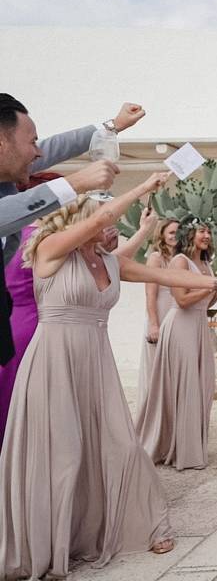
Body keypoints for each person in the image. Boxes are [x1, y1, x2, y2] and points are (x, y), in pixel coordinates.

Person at [0, 175, 217, 579]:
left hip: (96, 362)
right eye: (103, 221)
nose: (111, 227)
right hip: (55, 361)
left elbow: (164, 278)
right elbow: (104, 217)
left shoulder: (108, 261)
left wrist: (216, 282)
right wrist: (144, 187)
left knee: (121, 444)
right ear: (82, 220)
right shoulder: (48, 250)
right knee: (64, 453)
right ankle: (53, 539)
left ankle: (145, 524)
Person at [0, 175, 157, 448]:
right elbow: (113, 260)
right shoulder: (48, 241)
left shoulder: (19, 235)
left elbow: (113, 264)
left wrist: (135, 234)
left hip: (18, 326)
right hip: (48, 330)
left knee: (19, 406)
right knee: (53, 414)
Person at [1, 95, 143, 365]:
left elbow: (53, 148)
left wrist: (111, 126)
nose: (39, 153)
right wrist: (75, 183)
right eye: (31, 143)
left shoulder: (9, 168)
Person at [137, 219, 217, 470]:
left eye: (209, 231)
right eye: (201, 231)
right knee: (184, 384)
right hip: (180, 325)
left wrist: (215, 291)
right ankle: (177, 448)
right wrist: (213, 286)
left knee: (203, 385)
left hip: (199, 326)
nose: (207, 235)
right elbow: (183, 300)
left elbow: (204, 304)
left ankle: (192, 443)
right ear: (190, 235)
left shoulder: (206, 264)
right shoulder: (180, 262)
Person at [139, 218, 179, 412]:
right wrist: (154, 324)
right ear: (162, 234)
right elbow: (150, 293)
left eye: (178, 232)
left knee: (174, 368)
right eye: (171, 232)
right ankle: (152, 416)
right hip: (160, 313)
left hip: (178, 315)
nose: (175, 236)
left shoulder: (181, 259)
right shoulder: (156, 258)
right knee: (157, 368)